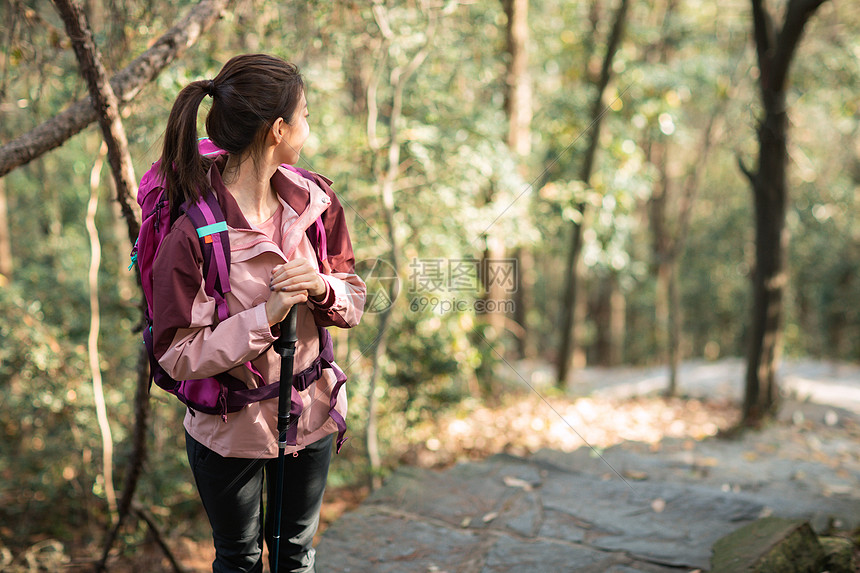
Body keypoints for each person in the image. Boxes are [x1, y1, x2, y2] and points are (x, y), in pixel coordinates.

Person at [151, 53, 365, 572]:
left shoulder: (315, 204)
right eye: (306, 115)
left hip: (308, 417)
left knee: (296, 556)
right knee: (240, 559)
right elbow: (176, 353)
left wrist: (322, 287)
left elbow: (355, 296)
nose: (308, 126)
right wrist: (265, 316)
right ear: (277, 129)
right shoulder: (192, 233)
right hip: (229, 430)